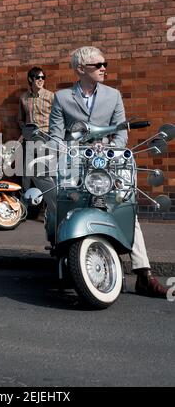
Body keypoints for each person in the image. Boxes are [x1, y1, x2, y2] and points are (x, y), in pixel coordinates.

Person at [48, 45, 167, 298]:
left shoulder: (113, 95)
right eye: (98, 65)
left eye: (105, 65)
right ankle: (64, 257)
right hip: (76, 161)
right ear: (81, 69)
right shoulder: (62, 98)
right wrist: (66, 151)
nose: (104, 69)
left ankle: (143, 273)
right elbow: (56, 136)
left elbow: (122, 130)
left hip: (109, 161)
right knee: (66, 203)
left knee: (125, 206)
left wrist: (111, 148)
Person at [18, 67, 54, 191]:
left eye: (43, 77)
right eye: (37, 77)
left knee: (45, 171)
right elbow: (20, 119)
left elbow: (57, 118)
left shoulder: (51, 96)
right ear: (30, 79)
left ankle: (48, 205)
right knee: (26, 172)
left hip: (46, 136)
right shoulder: (23, 98)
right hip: (30, 138)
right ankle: (25, 204)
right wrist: (25, 131)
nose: (41, 80)